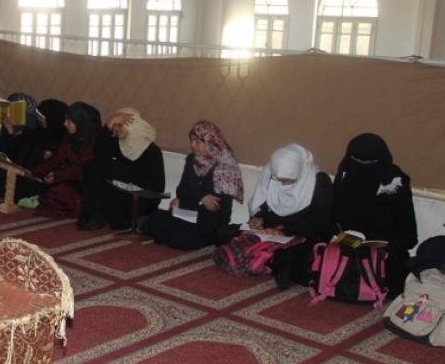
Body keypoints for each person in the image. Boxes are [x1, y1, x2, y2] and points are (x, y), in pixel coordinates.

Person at [333, 133, 417, 298]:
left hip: (382, 249)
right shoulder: (345, 173)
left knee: (393, 271)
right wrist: (337, 235)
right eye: (357, 161)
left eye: (369, 163)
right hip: (349, 243)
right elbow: (333, 216)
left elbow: (409, 235)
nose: (362, 166)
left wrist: (381, 244)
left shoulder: (395, 184)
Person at [241, 143, 333, 289]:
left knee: (295, 258)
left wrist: (286, 231)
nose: (283, 183)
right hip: (271, 231)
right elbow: (263, 205)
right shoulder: (270, 174)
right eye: (280, 179)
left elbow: (321, 221)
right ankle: (270, 261)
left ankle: (272, 262)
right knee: (225, 233)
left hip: (302, 234)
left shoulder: (319, 182)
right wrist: (259, 219)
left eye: (289, 180)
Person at [141, 120, 241, 248]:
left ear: (210, 143)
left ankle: (154, 229)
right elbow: (182, 190)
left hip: (211, 220)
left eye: (197, 142)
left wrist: (196, 200)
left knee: (183, 235)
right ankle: (156, 228)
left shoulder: (225, 166)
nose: (192, 145)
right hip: (188, 211)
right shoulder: (192, 160)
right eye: (192, 141)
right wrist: (196, 199)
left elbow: (217, 207)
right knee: (158, 217)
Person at [78, 108, 165, 231]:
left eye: (120, 125)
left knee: (109, 166)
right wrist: (108, 124)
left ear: (133, 125)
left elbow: (157, 188)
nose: (116, 129)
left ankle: (94, 215)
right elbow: (99, 152)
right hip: (122, 192)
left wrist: (123, 176)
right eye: (115, 125)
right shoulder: (120, 144)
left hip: (142, 200)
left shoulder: (152, 151)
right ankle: (91, 214)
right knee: (93, 164)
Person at [32, 102, 101, 218]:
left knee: (62, 191)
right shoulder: (70, 137)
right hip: (71, 179)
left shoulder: (96, 142)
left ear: (80, 123)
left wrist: (59, 176)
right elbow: (57, 157)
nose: (64, 124)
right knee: (51, 190)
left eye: (69, 121)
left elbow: (87, 171)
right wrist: (34, 172)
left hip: (89, 186)